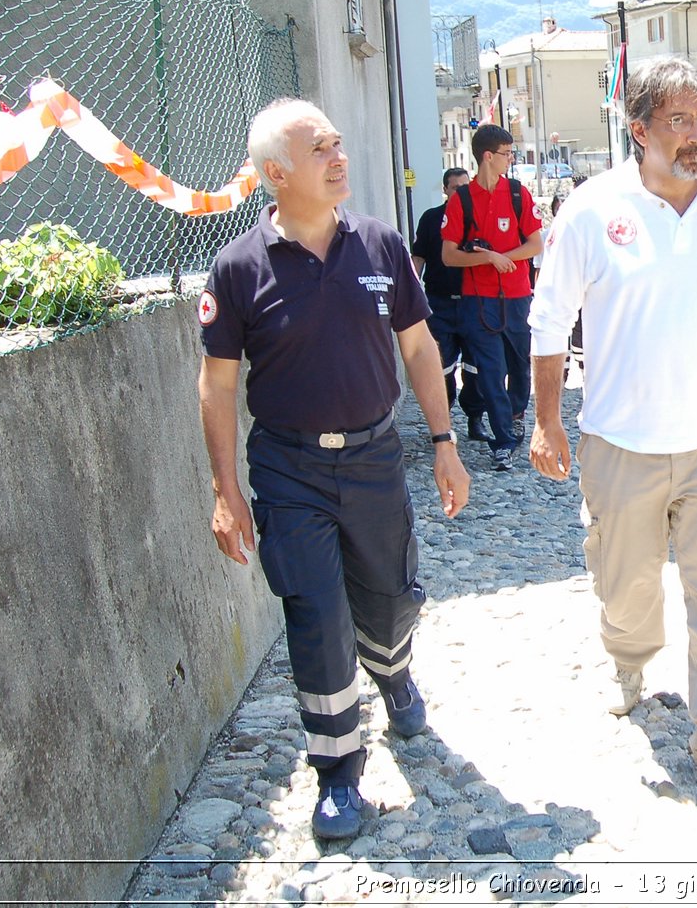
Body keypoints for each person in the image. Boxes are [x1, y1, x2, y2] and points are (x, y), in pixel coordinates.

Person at [197, 98, 470, 839]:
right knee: (316, 617)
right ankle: (339, 774)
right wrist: (227, 493)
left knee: (387, 599)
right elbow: (217, 387)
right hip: (288, 471)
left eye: (339, 143)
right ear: (278, 175)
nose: (339, 156)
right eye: (321, 149)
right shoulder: (237, 269)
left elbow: (417, 348)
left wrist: (444, 443)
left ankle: (394, 673)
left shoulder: (379, 246)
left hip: (376, 456)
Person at [528, 56, 697, 784]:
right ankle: (630, 660)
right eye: (677, 121)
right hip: (621, 440)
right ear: (638, 130)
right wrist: (547, 424)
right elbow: (550, 322)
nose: (696, 135)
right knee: (628, 584)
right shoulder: (591, 209)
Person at [440, 125, 544, 471]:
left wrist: (505, 257)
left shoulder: (517, 194)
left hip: (516, 297)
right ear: (489, 156)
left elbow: (535, 244)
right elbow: (449, 255)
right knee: (490, 371)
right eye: (507, 153)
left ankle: (516, 416)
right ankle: (503, 441)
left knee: (519, 367)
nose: (510, 159)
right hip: (477, 299)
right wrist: (486, 257)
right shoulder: (462, 199)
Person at [411, 167, 486, 420]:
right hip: (439, 302)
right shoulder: (431, 218)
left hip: (473, 302)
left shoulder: (478, 216)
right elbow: (418, 257)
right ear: (445, 190)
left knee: (476, 366)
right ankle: (443, 416)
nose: (461, 193)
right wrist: (411, 295)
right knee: (441, 365)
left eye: (465, 187)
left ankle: (475, 417)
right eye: (456, 188)